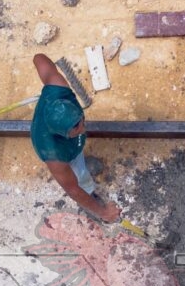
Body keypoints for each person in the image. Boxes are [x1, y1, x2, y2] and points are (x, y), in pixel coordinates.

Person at [30, 53, 121, 223]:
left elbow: (39, 59)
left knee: (79, 143)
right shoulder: (55, 155)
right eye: (77, 129)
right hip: (65, 151)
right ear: (63, 134)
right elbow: (72, 189)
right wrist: (103, 212)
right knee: (79, 175)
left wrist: (37, 57)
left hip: (60, 131)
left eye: (81, 120)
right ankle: (89, 190)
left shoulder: (58, 87)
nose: (83, 127)